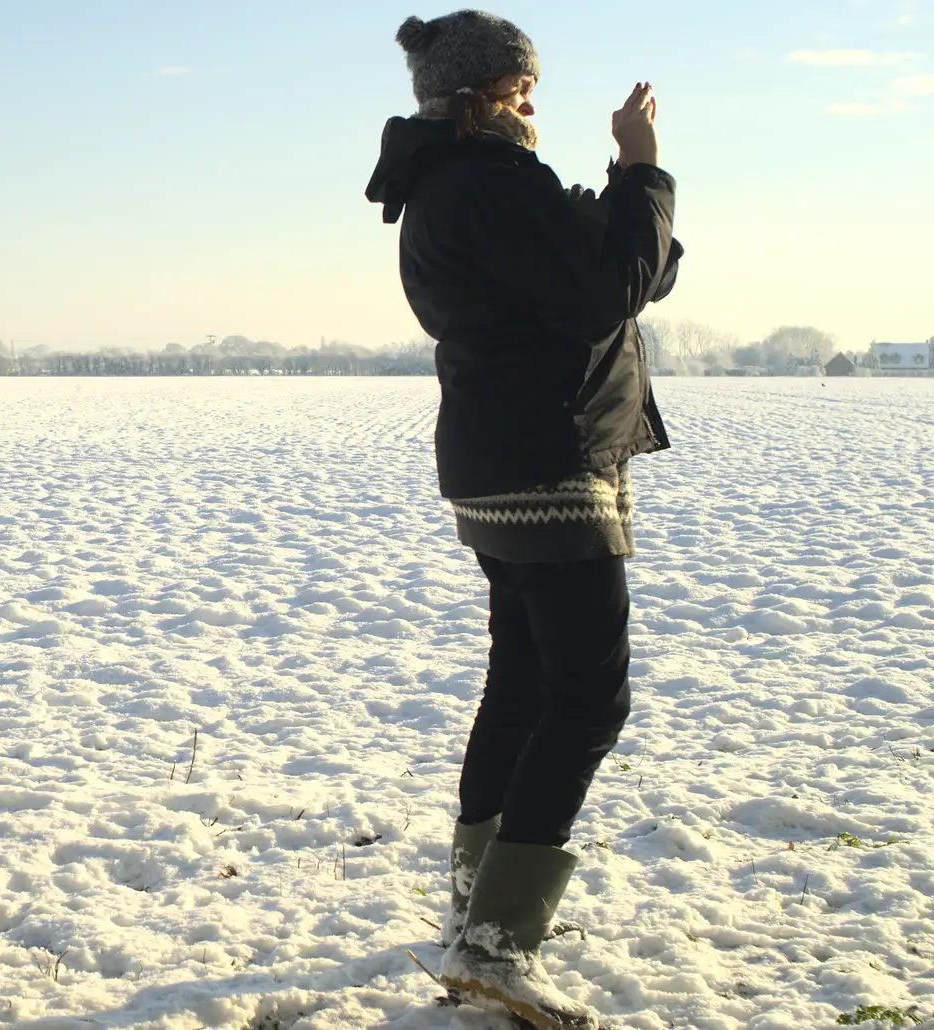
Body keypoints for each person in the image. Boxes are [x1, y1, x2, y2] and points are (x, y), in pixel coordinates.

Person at [365, 10, 682, 1030]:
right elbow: (609, 287)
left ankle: (479, 905)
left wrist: (621, 206)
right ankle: (497, 942)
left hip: (500, 461)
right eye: (514, 87)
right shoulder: (489, 183)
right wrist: (640, 174)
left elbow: (629, 276)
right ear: (471, 97)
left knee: (524, 680)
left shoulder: (458, 186)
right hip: (546, 462)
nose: (529, 101)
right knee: (589, 698)